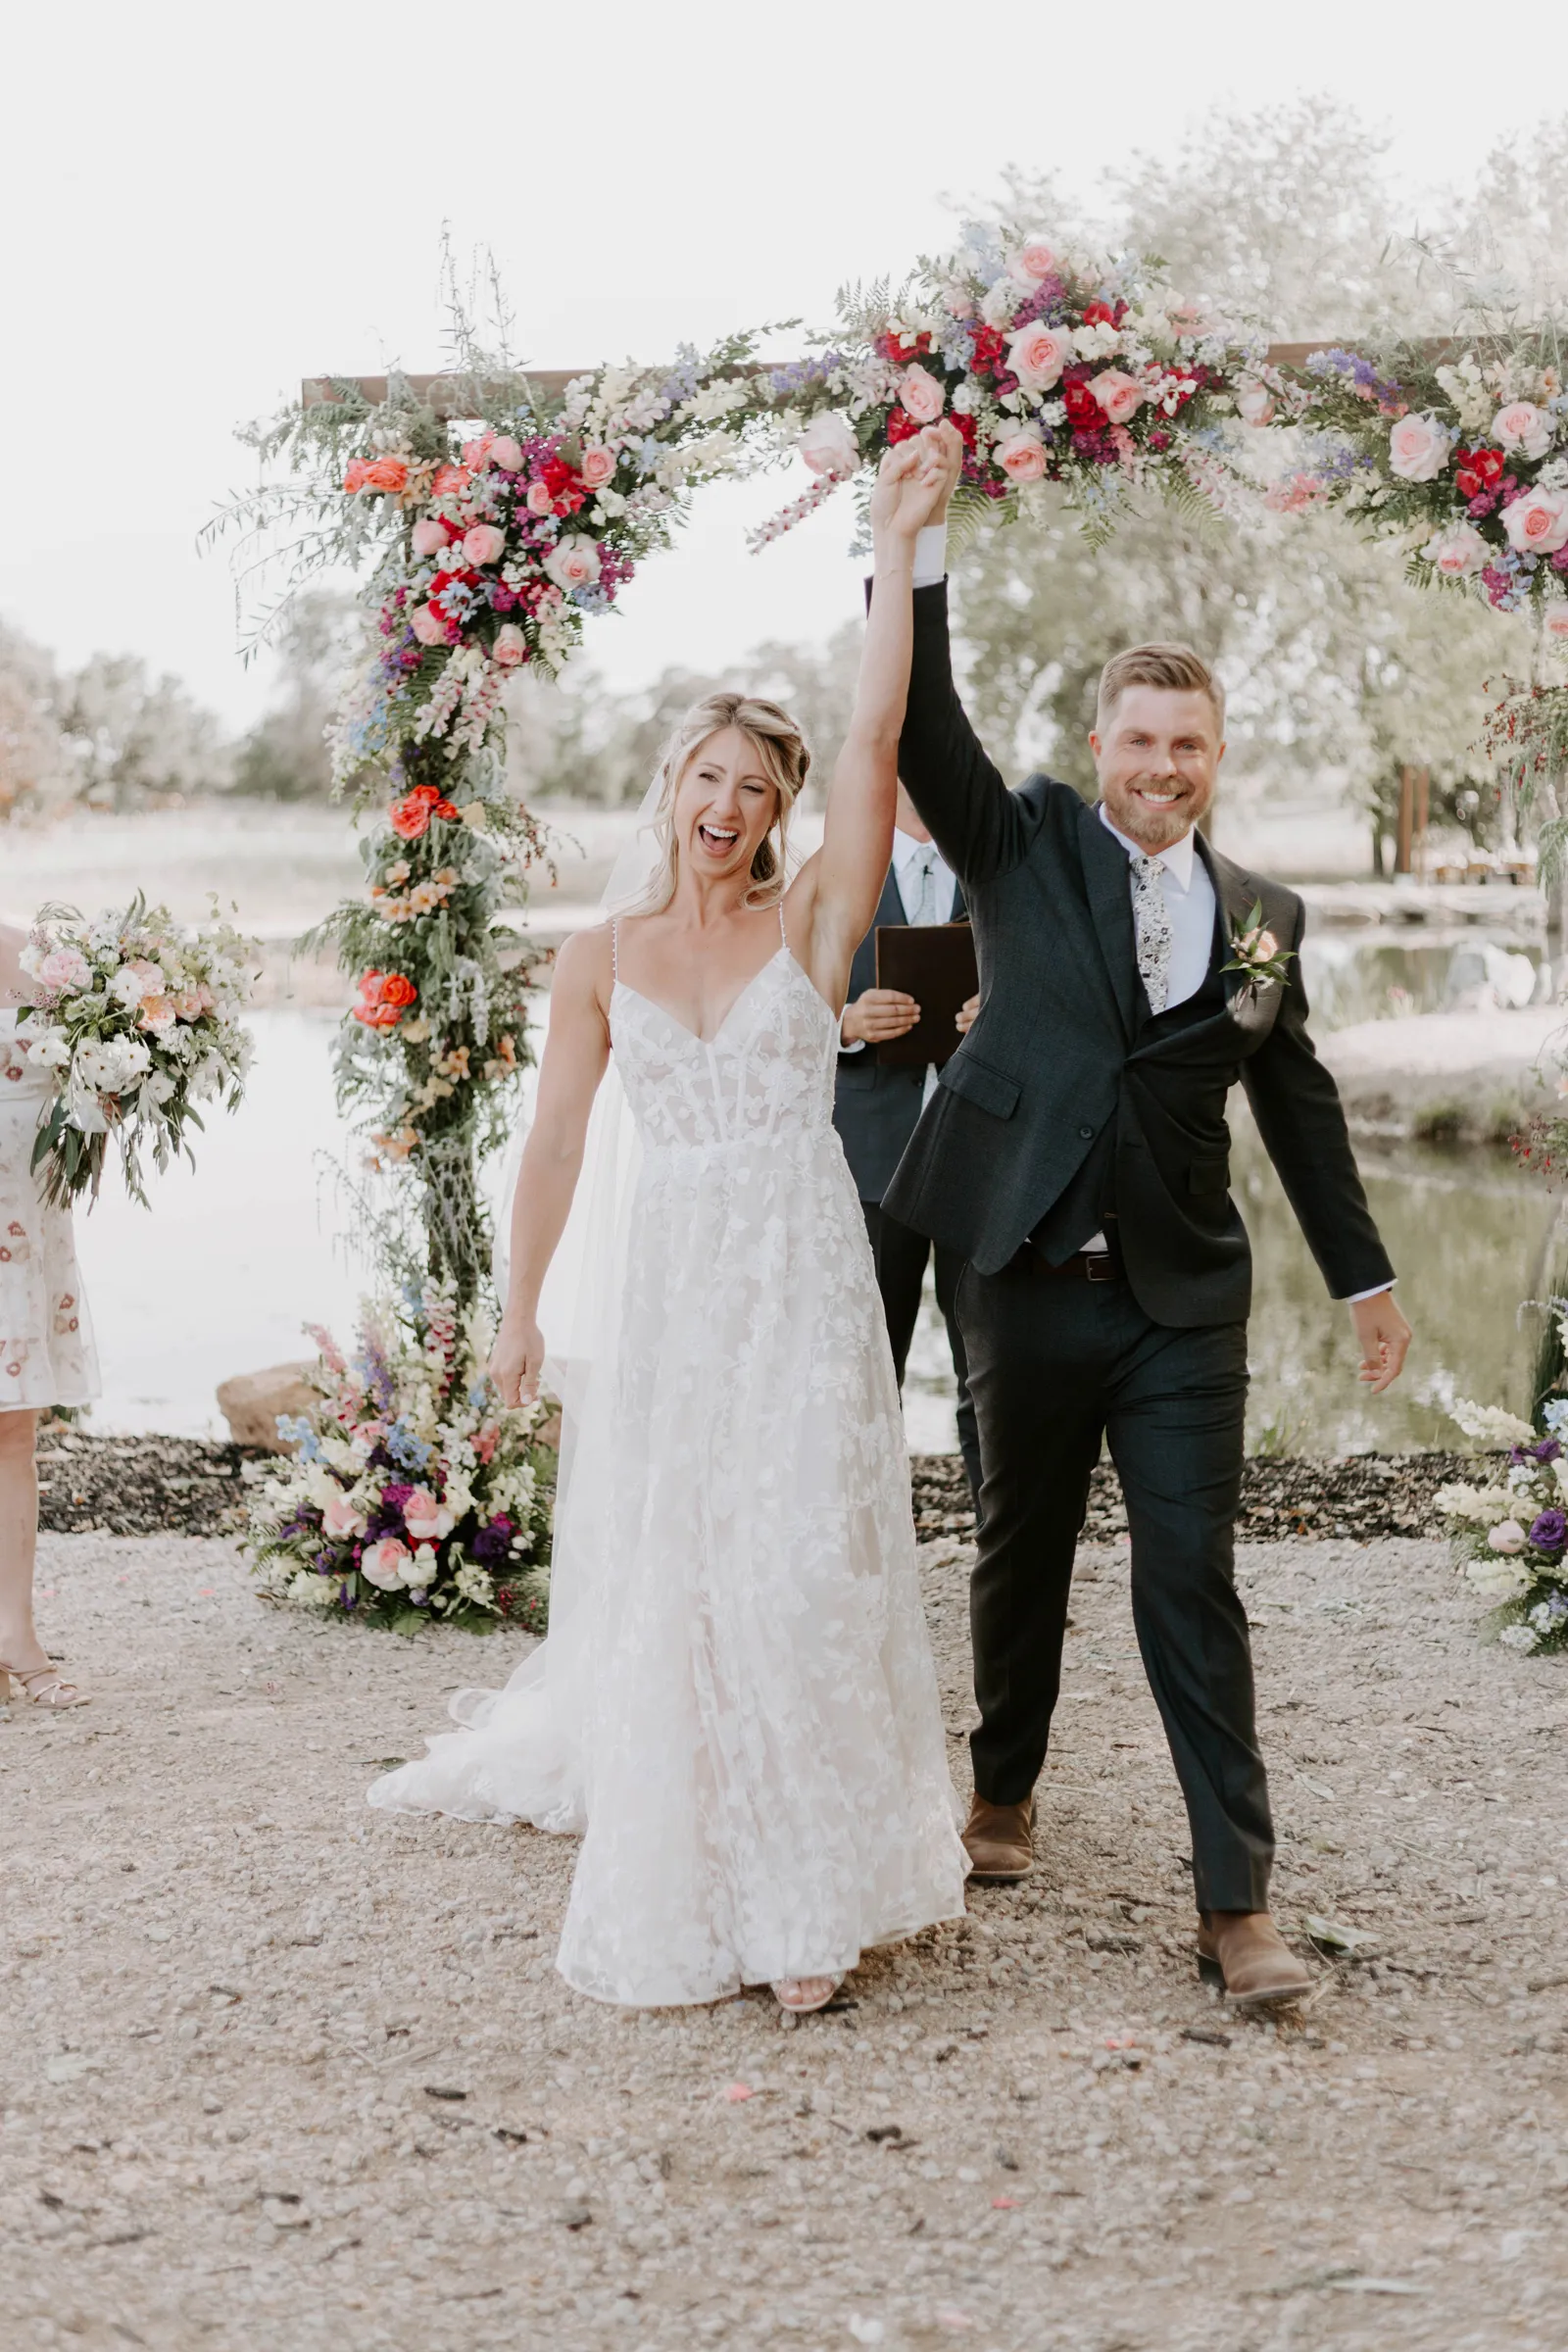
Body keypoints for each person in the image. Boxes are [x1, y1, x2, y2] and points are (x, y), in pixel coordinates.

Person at [368, 441, 969, 2014]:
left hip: (801, 1271)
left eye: (756, 789)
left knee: (795, 1566)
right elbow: (559, 1142)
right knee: (688, 1576)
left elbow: (877, 733)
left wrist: (900, 546)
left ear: (777, 815)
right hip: (675, 1289)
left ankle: (807, 1900)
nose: (729, 804)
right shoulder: (601, 956)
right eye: (711, 777)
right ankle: (707, 1870)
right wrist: (519, 1314)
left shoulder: (813, 919)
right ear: (673, 786)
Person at [879, 419, 1411, 2008]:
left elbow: (1297, 1102)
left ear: (1217, 755)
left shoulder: (1266, 918)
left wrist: (1367, 1279)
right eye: (1140, 740)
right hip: (1024, 1273)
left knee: (1192, 1581)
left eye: (1189, 744)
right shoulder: (1022, 840)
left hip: (1185, 1300)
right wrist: (915, 549)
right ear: (1100, 743)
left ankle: (1236, 1905)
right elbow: (922, 724)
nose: (1162, 766)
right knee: (1019, 1548)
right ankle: (1004, 1785)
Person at [833, 784, 981, 1501]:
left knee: (988, 1368)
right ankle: (860, 1538)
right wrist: (845, 1023)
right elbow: (776, 996)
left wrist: (1002, 1014)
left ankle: (1003, 1543)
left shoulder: (994, 868)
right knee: (864, 1368)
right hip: (868, 1163)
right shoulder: (834, 871)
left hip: (979, 1155)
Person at [0, 921, 99, 1709]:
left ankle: (15, 1636)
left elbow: (91, 1090)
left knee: (13, 1433)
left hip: (20, 1233)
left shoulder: (42, 958)